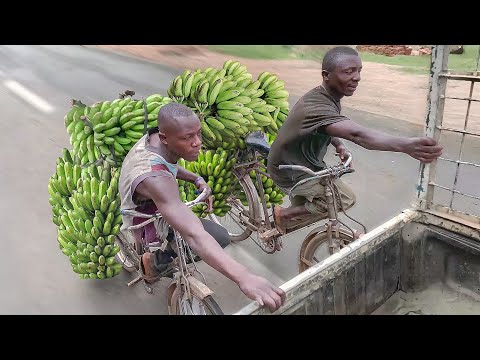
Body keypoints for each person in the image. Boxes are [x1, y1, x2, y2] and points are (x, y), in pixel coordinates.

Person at [119, 102, 285, 312]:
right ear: (164, 138)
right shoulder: (154, 177)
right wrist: (244, 276)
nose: (197, 143)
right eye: (187, 138)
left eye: (198, 134)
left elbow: (168, 164)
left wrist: (196, 178)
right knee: (204, 239)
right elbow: (194, 235)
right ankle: (152, 263)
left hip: (161, 198)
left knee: (219, 237)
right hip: (144, 215)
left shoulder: (158, 142)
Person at [267, 46, 443, 234]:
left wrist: (339, 144)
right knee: (343, 199)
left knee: (327, 201)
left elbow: (326, 126)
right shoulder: (316, 105)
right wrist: (406, 145)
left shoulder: (327, 97)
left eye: (359, 71)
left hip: (306, 163)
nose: (357, 77)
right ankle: (283, 215)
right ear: (326, 75)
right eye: (348, 71)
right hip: (289, 169)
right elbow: (358, 135)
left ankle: (288, 221)